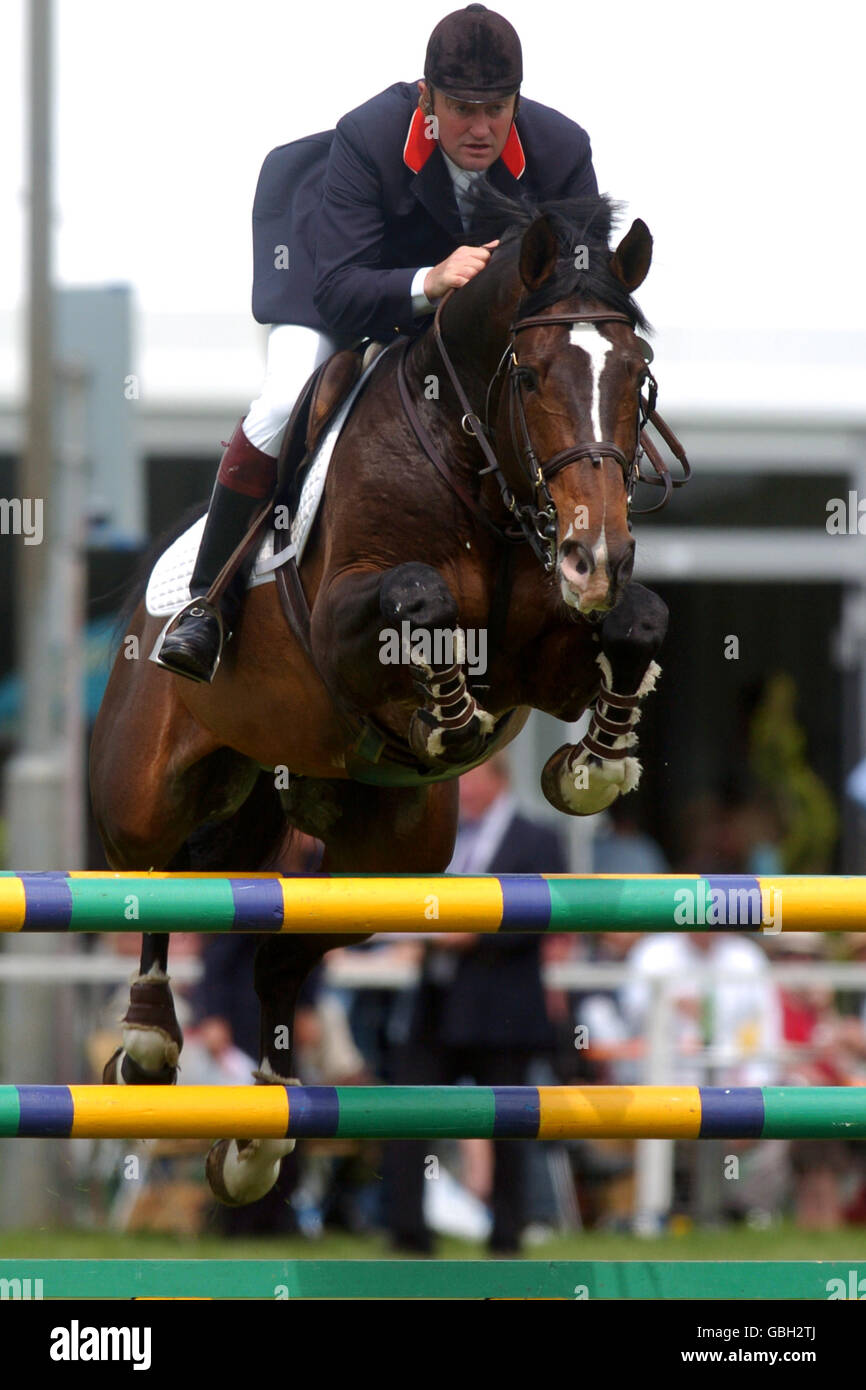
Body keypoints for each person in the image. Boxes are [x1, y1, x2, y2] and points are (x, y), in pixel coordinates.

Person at [157, 4, 598, 682]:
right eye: (460, 109)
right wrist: (431, 278)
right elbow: (339, 288)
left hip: (469, 325)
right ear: (427, 99)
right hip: (341, 288)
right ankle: (207, 604)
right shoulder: (368, 135)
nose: (480, 129)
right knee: (280, 403)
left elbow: (578, 290)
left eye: (497, 108)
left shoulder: (563, 149)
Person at [383, 755, 566, 1253]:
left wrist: (466, 933)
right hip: (435, 1000)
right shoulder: (443, 834)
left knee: (508, 1124)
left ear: (498, 777)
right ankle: (406, 1231)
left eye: (465, 777)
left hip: (501, 1007)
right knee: (406, 1113)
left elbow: (542, 917)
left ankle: (507, 1232)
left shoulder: (538, 837)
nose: (456, 787)